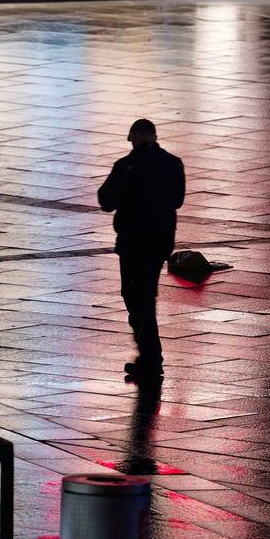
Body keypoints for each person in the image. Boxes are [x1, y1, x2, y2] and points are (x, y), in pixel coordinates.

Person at [98, 119, 185, 382]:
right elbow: (177, 199)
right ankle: (148, 357)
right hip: (160, 242)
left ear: (133, 138)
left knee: (136, 297)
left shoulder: (125, 166)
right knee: (145, 295)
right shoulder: (173, 163)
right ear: (154, 136)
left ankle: (151, 358)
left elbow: (106, 201)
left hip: (133, 241)